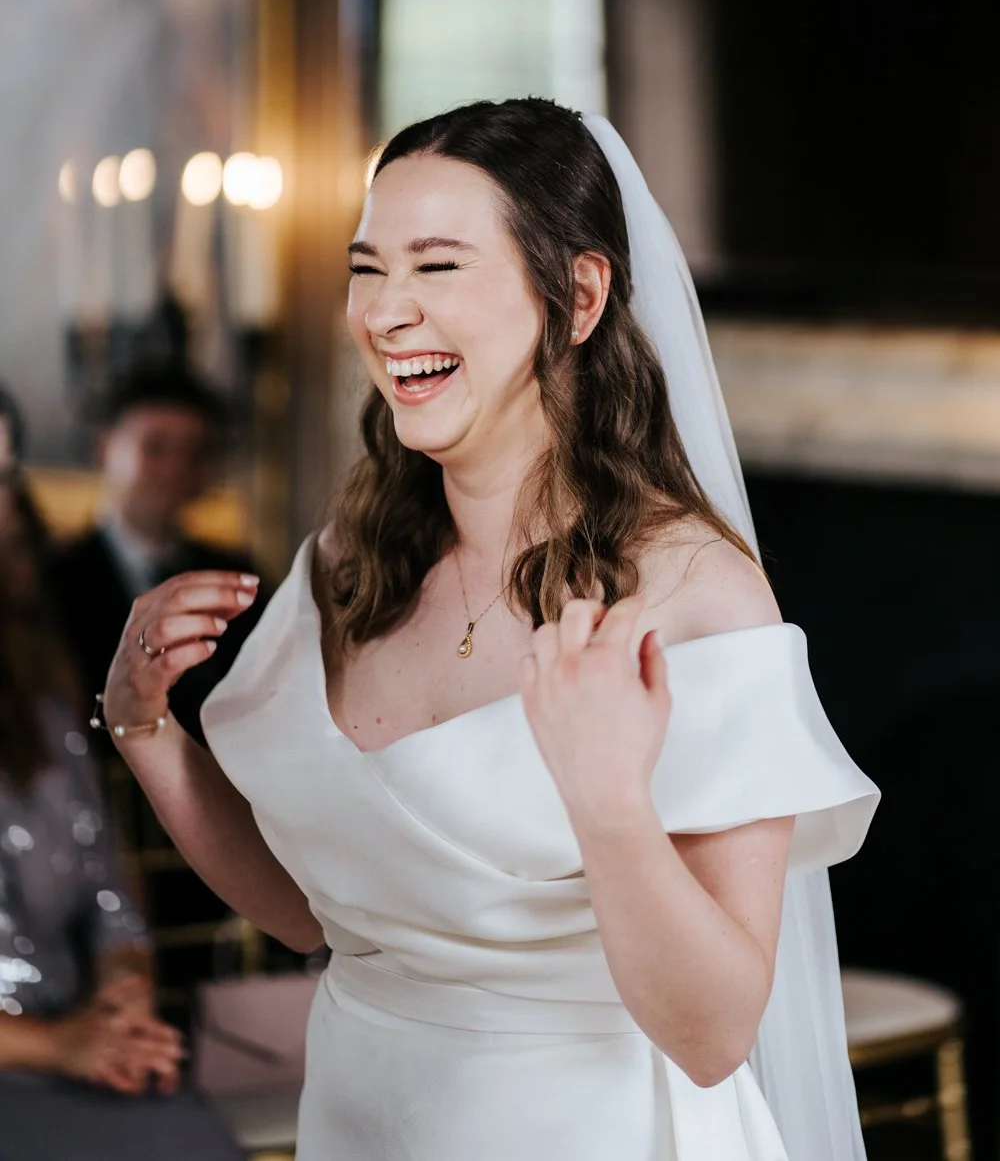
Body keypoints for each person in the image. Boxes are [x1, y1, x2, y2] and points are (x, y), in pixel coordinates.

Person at [99, 99, 878, 1161]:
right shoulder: (347, 562)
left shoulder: (696, 598)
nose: (385, 312)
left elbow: (712, 1032)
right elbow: (312, 917)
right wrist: (144, 730)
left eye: (438, 267)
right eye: (368, 269)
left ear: (578, 296)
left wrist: (608, 805)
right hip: (364, 1116)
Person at [0, 470, 245, 1161]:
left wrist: (124, 993)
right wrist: (57, 1046)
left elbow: (108, 886)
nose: (17, 572)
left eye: (20, 545)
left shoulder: (45, 706)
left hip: (82, 1043)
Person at [48, 365, 263, 749]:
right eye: (155, 448)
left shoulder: (239, 577)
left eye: (194, 453)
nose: (174, 470)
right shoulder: (51, 579)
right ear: (105, 446)